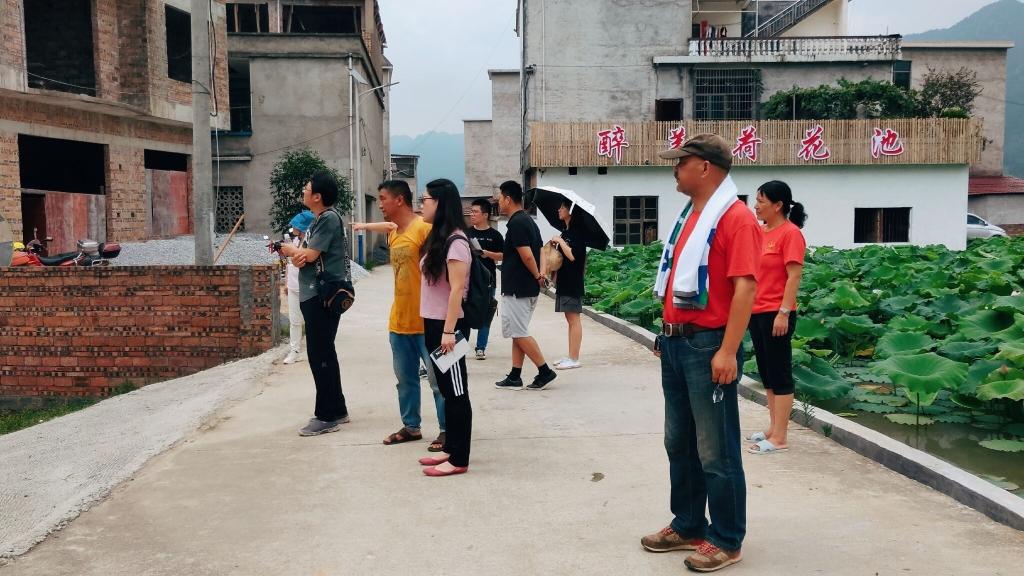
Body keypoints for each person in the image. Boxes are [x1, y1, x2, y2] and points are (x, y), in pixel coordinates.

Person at [641, 134, 761, 572]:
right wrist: (666, 333)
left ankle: (727, 539)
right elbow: (677, 281)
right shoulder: (691, 216)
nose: (674, 168)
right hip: (677, 343)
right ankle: (689, 523)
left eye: (681, 161)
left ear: (705, 167)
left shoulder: (735, 218)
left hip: (709, 345)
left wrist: (728, 351)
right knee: (679, 441)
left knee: (716, 448)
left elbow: (745, 288)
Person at [354, 180, 446, 451]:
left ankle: (447, 429)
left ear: (399, 200)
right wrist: (363, 226)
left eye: (383, 198)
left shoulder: (424, 230)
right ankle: (411, 426)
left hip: (428, 322)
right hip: (399, 321)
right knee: (405, 381)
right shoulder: (394, 233)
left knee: (439, 383)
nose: (380, 203)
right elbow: (388, 227)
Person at [278, 172, 352, 436]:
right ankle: (338, 408)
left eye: (307, 187)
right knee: (325, 353)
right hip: (316, 293)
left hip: (321, 295)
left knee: (320, 355)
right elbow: (306, 257)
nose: (304, 189)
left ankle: (326, 415)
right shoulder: (318, 220)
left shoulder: (328, 218)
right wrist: (300, 256)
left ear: (318, 196)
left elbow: (309, 254)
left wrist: (291, 250)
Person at [416, 179, 473, 477]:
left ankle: (459, 458)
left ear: (439, 203)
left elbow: (457, 289)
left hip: (448, 327)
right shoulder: (440, 238)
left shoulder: (457, 242)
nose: (421, 205)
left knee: (456, 391)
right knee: (448, 391)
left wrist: (448, 332)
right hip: (435, 324)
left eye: (424, 199)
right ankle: (450, 448)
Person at [747, 181, 806, 455]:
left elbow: (794, 276)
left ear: (778, 205)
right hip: (757, 311)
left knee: (780, 373)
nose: (756, 206)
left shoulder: (790, 234)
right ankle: (772, 428)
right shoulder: (760, 232)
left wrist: (783, 312)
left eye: (761, 201)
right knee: (767, 373)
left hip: (777, 313)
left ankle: (781, 436)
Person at [494, 180, 557, 391]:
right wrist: (541, 273)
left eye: (500, 197)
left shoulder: (517, 223)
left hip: (518, 288)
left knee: (519, 332)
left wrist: (538, 274)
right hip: (526, 287)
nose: (498, 201)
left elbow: (527, 255)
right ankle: (515, 375)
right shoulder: (529, 221)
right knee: (518, 331)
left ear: (508, 199)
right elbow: (540, 251)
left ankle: (544, 371)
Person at [548, 198, 587, 370]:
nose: (559, 209)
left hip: (573, 281)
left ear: (570, 211)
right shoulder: (566, 232)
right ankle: (571, 355)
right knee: (569, 319)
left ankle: (574, 358)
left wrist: (561, 242)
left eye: (562, 207)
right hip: (564, 280)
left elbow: (573, 256)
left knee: (574, 319)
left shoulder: (577, 233)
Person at [467, 198, 504, 360]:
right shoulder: (467, 233)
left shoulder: (495, 235)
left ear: (485, 215)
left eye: (475, 212)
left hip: (488, 281)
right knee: (463, 315)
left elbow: (503, 255)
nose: (472, 214)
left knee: (485, 314)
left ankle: (480, 347)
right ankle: (459, 348)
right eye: (471, 211)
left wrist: (487, 254)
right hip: (468, 281)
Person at [283, 210, 314, 365]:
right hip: (293, 286)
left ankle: (313, 351)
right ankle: (294, 351)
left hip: (308, 287)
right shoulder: (293, 242)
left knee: (311, 320)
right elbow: (289, 264)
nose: (293, 228)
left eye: (296, 226)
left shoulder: (310, 244)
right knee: (294, 321)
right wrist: (286, 283)